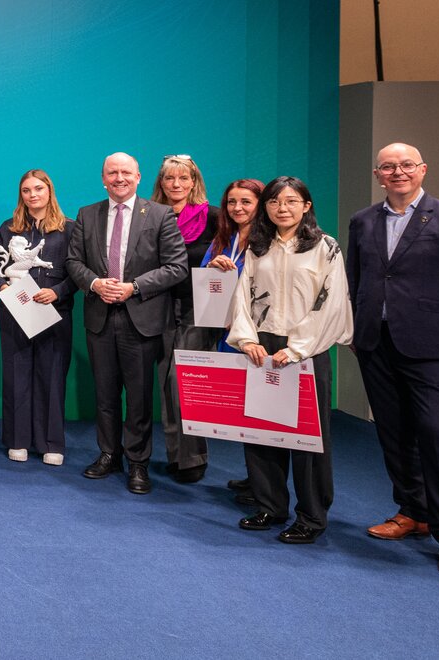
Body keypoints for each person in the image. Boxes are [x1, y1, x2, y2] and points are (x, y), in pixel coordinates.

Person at [347, 143, 439, 580]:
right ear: (377, 175)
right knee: (393, 433)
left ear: (422, 169)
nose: (398, 172)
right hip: (375, 343)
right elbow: (355, 280)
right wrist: (353, 329)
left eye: (406, 165)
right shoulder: (362, 221)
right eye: (388, 166)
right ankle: (413, 511)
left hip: (432, 346)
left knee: (437, 433)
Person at [227, 176, 352, 544]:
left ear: (306, 205)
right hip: (262, 346)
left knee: (308, 440)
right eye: (274, 202)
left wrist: (298, 348)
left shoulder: (325, 247)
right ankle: (270, 505)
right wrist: (247, 339)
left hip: (306, 349)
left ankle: (311, 516)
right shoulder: (258, 247)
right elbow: (242, 295)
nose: (282, 208)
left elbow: (332, 302)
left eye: (291, 201)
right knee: (261, 432)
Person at [65, 152, 186, 495]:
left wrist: (134, 287)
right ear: (104, 178)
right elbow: (73, 261)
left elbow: (176, 266)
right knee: (105, 394)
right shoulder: (87, 214)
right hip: (100, 317)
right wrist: (94, 283)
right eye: (112, 173)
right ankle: (109, 454)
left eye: (126, 172)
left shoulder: (160, 214)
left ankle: (138, 462)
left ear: (138, 177)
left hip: (142, 319)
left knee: (139, 397)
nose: (119, 178)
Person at [0, 170, 76, 466]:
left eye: (38, 188)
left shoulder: (69, 229)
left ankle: (51, 442)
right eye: (26, 190)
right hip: (16, 311)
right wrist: (2, 286)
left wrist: (57, 292)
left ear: (49, 191)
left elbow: (79, 272)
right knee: (17, 376)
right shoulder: (8, 228)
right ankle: (18, 440)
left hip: (55, 312)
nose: (32, 195)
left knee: (51, 376)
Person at [149, 154, 219, 484]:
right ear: (161, 183)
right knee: (166, 381)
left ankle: (194, 457)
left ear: (194, 182)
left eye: (183, 178)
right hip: (161, 306)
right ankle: (177, 455)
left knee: (188, 381)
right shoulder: (151, 216)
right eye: (169, 178)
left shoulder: (213, 217)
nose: (176, 184)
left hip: (200, 308)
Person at [199, 179, 265, 503]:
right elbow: (203, 276)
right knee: (244, 409)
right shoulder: (225, 238)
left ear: (261, 204)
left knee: (262, 409)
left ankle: (265, 486)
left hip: (258, 335)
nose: (237, 208)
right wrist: (213, 266)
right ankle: (255, 476)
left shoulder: (268, 241)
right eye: (231, 202)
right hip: (229, 333)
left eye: (246, 202)